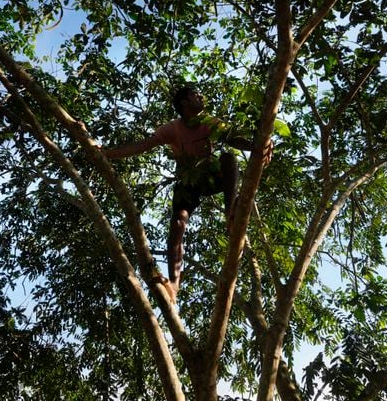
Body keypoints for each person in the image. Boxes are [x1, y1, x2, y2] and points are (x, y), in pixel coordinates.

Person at [102, 86, 272, 303]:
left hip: (211, 177)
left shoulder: (208, 121)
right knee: (178, 223)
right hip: (188, 183)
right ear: (184, 102)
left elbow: (231, 138)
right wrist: (108, 153)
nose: (201, 96)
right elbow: (143, 145)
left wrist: (258, 145)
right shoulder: (173, 128)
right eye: (195, 94)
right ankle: (173, 285)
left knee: (229, 158)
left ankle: (230, 213)